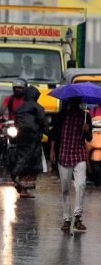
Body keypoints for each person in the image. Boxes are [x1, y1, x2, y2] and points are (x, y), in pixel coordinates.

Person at [50, 97, 92, 232]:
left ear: (79, 103)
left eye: (75, 102)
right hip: (63, 155)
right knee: (65, 189)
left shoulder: (86, 116)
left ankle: (78, 217)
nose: (73, 105)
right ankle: (66, 219)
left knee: (81, 185)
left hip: (79, 154)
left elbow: (89, 138)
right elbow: (54, 135)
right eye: (71, 102)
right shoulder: (61, 116)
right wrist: (52, 151)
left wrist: (87, 130)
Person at [12, 86, 48, 198]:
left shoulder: (19, 108)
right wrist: (49, 133)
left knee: (23, 158)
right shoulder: (38, 108)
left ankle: (19, 182)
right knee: (32, 163)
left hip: (21, 138)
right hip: (34, 138)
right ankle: (23, 187)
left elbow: (16, 123)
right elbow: (43, 123)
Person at [0, 80, 26, 181]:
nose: (18, 90)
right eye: (16, 88)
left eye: (20, 88)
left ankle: (27, 173)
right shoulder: (9, 99)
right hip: (10, 125)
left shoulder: (27, 100)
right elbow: (1, 110)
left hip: (23, 127)